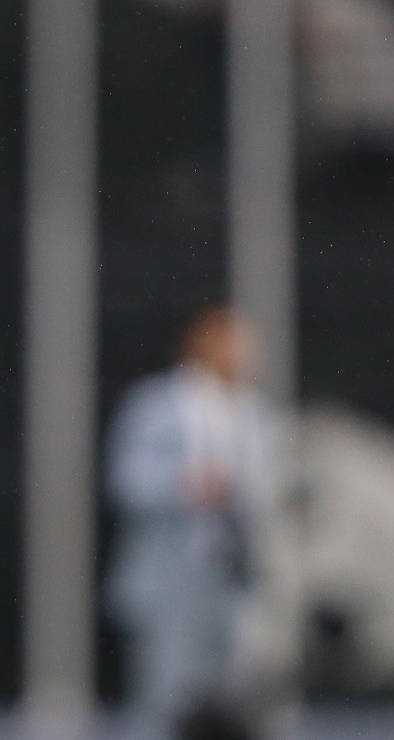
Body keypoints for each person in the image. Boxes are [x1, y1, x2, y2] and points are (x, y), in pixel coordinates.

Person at [104, 304, 276, 740]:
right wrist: (185, 487)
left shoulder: (254, 411)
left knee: (239, 698)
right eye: (233, 339)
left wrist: (242, 492)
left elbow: (270, 487)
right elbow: (126, 480)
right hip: (171, 577)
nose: (244, 352)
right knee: (161, 697)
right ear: (202, 339)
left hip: (234, 577)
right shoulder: (155, 402)